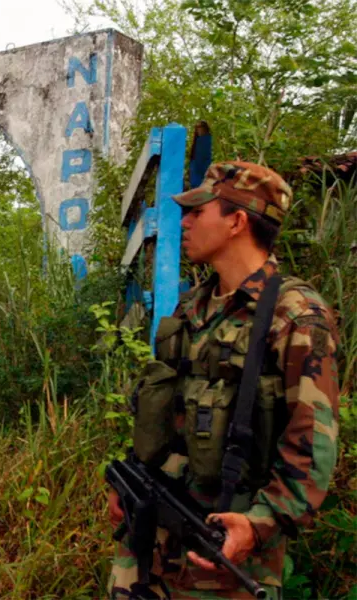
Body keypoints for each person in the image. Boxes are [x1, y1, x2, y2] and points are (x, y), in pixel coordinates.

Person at [108, 161, 341, 599]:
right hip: (150, 529)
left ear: (236, 221)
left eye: (199, 211)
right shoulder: (192, 306)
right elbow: (165, 406)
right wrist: (130, 478)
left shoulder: (294, 316)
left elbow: (312, 446)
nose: (187, 221)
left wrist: (258, 526)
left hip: (224, 550)